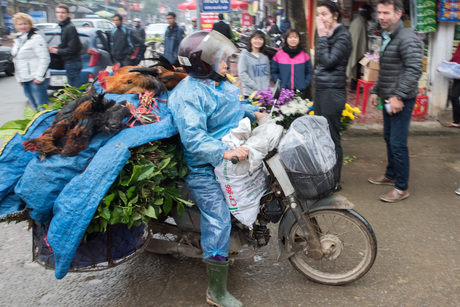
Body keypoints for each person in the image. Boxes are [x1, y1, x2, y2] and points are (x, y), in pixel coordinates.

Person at [169, 30, 266, 307]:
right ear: (204, 64)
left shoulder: (217, 83)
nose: (228, 64)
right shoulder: (188, 94)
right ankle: (216, 292)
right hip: (203, 168)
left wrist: (255, 112)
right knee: (219, 219)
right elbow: (194, 138)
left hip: (229, 159)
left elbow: (232, 107)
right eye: (223, 60)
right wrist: (225, 151)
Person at [368, 0, 423, 203]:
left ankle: (401, 187)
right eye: (379, 12)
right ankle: (391, 174)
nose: (381, 16)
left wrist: (399, 96)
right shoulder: (389, 37)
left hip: (401, 99)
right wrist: (375, 91)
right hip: (389, 98)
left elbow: (414, 70)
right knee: (388, 138)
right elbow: (386, 69)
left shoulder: (407, 38)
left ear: (398, 14)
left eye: (386, 12)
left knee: (398, 143)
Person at [313, 0, 352, 192]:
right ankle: (324, 176)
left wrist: (322, 37)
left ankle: (334, 181)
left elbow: (327, 61)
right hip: (321, 89)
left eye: (324, 14)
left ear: (335, 15)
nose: (320, 19)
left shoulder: (343, 36)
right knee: (321, 136)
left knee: (332, 137)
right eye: (318, 14)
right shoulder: (328, 34)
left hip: (332, 92)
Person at [11, 13, 50, 111]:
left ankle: (47, 126)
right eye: (20, 24)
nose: (23, 26)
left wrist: (39, 77)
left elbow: (44, 58)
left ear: (30, 24)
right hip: (25, 79)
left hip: (36, 78)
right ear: (16, 26)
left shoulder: (36, 37)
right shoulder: (19, 38)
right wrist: (19, 78)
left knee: (42, 108)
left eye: (25, 24)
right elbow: (17, 59)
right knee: (34, 107)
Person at [271, 28, 312, 99]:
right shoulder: (278, 55)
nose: (293, 39)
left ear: (299, 40)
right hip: (284, 91)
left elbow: (309, 72)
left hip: (300, 91)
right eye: (290, 37)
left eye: (295, 37)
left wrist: (305, 83)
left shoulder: (304, 56)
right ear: (286, 39)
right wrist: (279, 84)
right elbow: (274, 71)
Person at [49, 4, 82, 88]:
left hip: (72, 62)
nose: (60, 14)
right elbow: (69, 44)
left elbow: (73, 49)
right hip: (70, 62)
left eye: (63, 12)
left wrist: (57, 51)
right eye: (58, 12)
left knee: (75, 90)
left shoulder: (70, 27)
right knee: (73, 89)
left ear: (68, 14)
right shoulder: (65, 26)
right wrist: (58, 47)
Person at [346, 4, 373, 92]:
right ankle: (353, 87)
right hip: (356, 49)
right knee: (356, 68)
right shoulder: (360, 23)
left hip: (353, 49)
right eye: (370, 13)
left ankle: (355, 86)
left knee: (356, 68)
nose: (371, 16)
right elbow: (360, 41)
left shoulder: (358, 21)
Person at [237, 30, 271, 98]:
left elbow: (267, 74)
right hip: (250, 93)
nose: (258, 41)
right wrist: (255, 86)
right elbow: (242, 73)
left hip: (264, 93)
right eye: (255, 38)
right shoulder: (244, 55)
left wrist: (266, 88)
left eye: (260, 39)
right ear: (251, 40)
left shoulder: (265, 57)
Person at [444, 43, 460, 128]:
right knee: (454, 97)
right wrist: (443, 67)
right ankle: (456, 121)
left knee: (454, 96)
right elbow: (455, 59)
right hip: (457, 75)